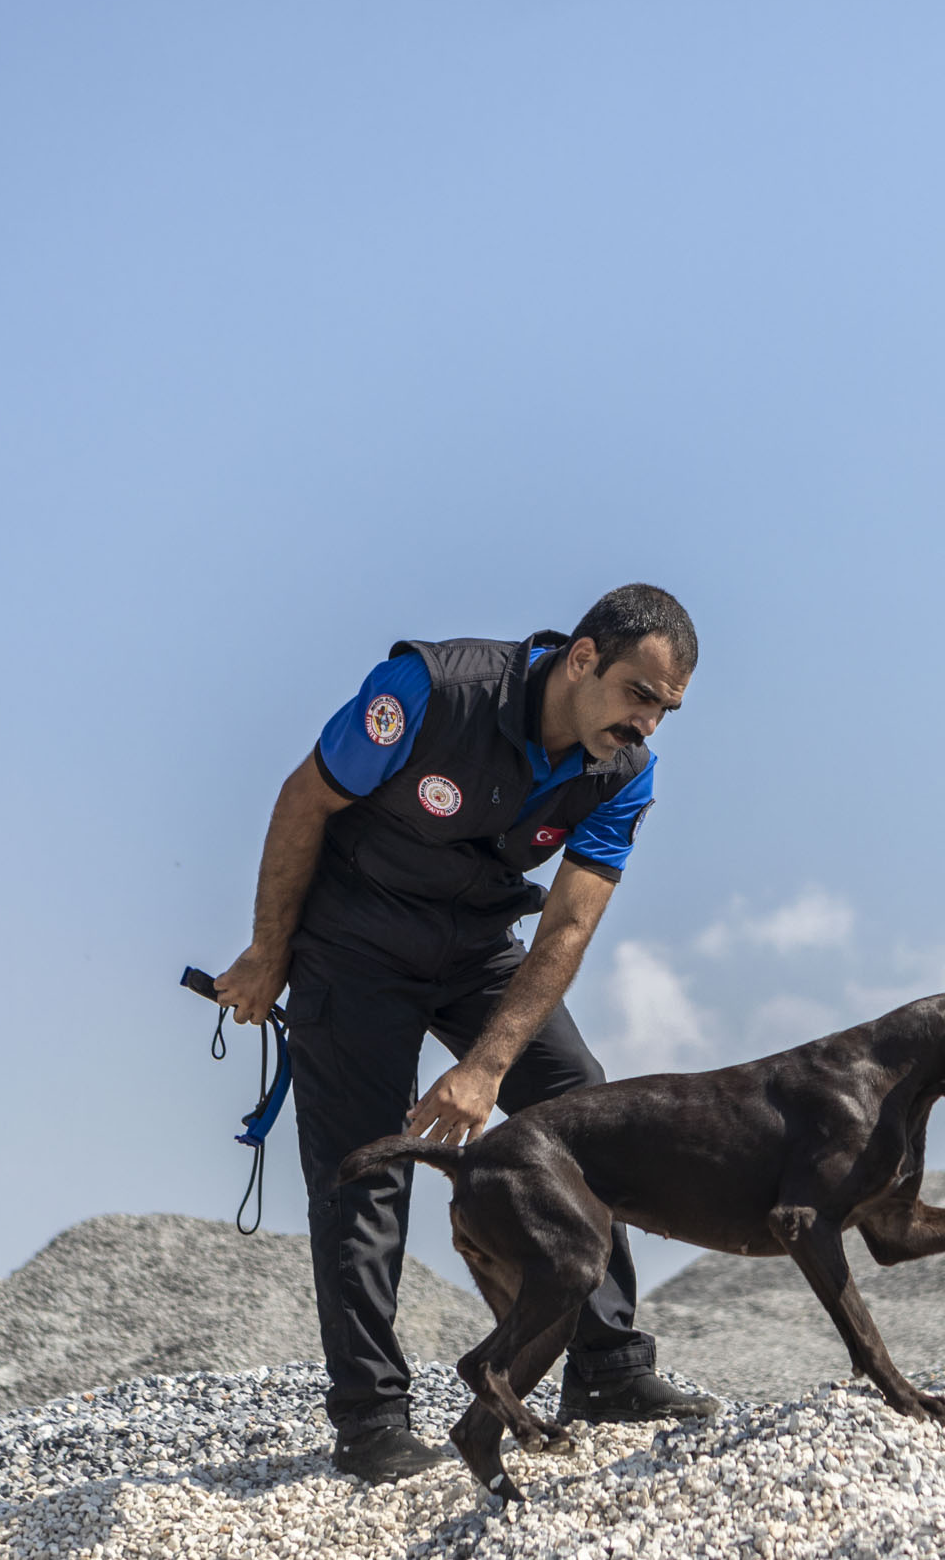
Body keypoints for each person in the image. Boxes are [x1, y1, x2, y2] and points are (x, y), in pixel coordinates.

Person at [212, 583, 718, 1483]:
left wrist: (486, 1067)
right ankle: (370, 1420)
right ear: (583, 657)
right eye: (640, 694)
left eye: (667, 710)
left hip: (481, 951)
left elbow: (566, 928)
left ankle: (606, 1368)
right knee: (369, 1165)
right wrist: (267, 949)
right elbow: (303, 801)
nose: (649, 723)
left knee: (584, 1108)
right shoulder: (429, 690)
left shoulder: (625, 769)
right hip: (354, 946)